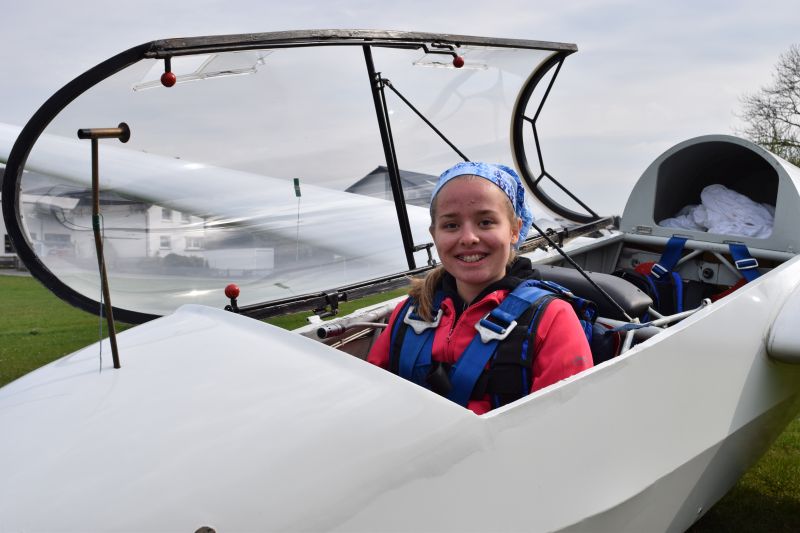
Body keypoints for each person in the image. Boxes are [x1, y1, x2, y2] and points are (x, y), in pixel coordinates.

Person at [367, 161, 593, 414]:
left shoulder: (552, 320)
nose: (468, 238)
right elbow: (373, 400)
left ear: (515, 230)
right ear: (434, 235)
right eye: (451, 225)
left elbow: (565, 422)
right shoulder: (410, 312)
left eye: (485, 222)